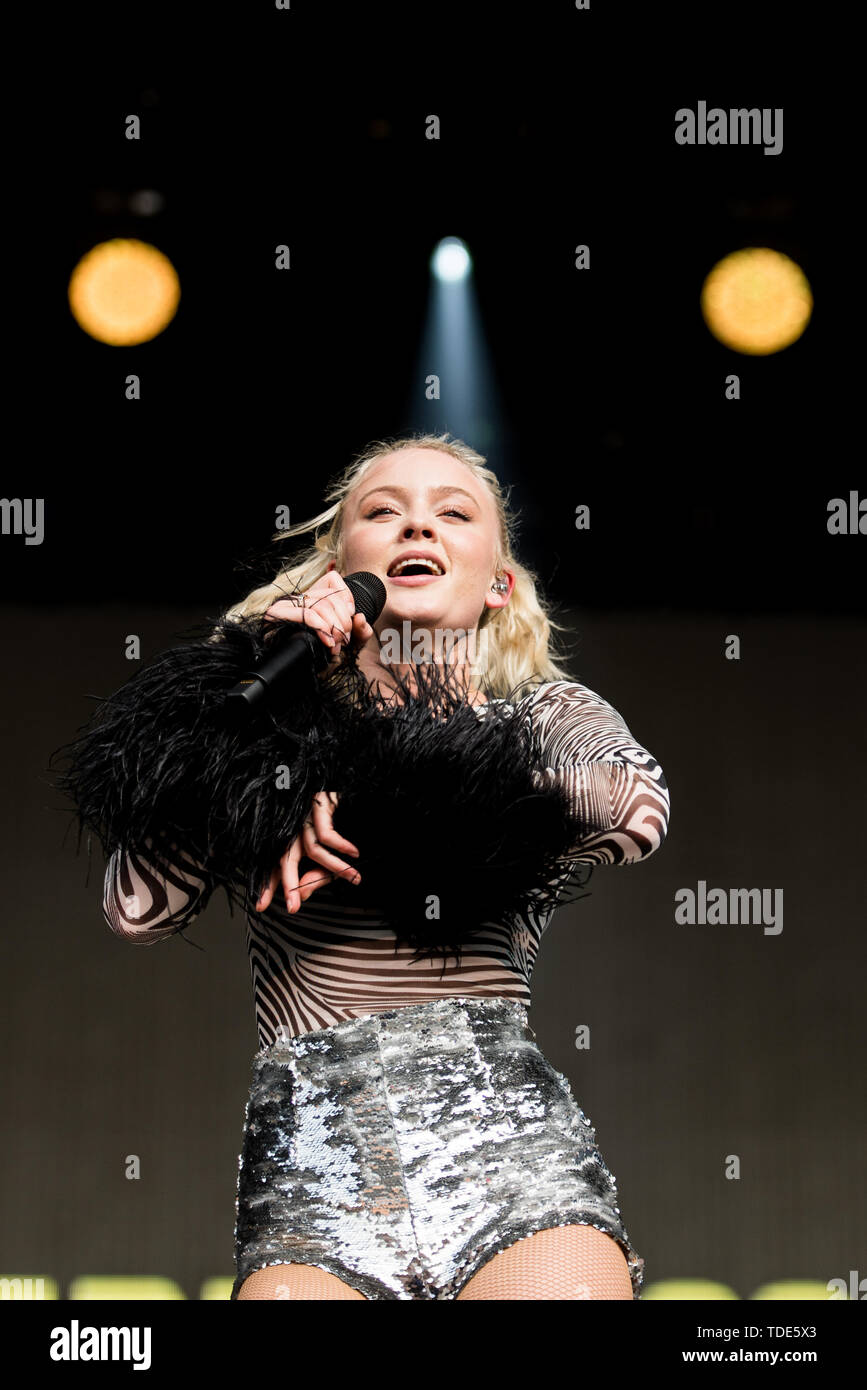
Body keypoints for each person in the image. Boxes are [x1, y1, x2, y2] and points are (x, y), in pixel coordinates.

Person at [99, 432, 670, 1300]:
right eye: (383, 512)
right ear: (338, 567)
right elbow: (135, 908)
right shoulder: (264, 736)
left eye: (452, 513)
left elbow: (635, 810)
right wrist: (255, 728)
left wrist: (354, 785)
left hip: (510, 1160)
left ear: (498, 583)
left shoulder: (540, 713)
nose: (417, 528)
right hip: (313, 1173)